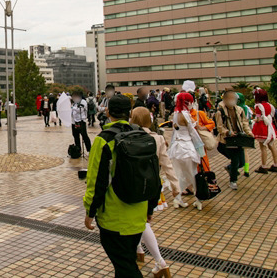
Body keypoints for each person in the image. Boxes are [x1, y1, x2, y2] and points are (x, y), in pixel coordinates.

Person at [83, 95, 147, 278]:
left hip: (114, 218)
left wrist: (90, 211)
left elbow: (96, 182)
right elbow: (150, 176)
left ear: (108, 112)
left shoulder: (104, 140)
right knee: (125, 264)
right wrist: (149, 207)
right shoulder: (141, 135)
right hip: (139, 214)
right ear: (130, 113)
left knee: (126, 268)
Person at [130, 107, 180, 278]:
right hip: (153, 186)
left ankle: (160, 262)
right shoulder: (158, 138)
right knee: (140, 220)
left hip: (136, 187)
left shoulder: (129, 138)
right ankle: (139, 250)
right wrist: (175, 186)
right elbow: (167, 164)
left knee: (142, 222)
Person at [168, 92, 206, 210]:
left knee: (179, 175)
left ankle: (177, 199)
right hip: (187, 147)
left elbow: (175, 131)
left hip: (176, 148)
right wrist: (200, 148)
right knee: (193, 174)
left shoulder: (175, 114)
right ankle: (198, 200)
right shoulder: (185, 114)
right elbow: (192, 133)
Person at [215, 90, 254, 190]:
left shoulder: (239, 110)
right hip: (227, 140)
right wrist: (228, 132)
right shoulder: (220, 112)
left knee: (241, 162)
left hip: (239, 138)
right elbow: (219, 127)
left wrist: (249, 132)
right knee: (236, 160)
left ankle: (230, 168)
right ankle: (233, 181)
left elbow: (244, 122)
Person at [252, 88, 277, 174]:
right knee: (272, 146)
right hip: (270, 127)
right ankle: (276, 165)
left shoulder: (258, 106)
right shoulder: (269, 105)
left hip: (262, 127)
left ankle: (263, 166)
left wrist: (252, 121)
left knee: (263, 147)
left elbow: (258, 119)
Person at [236, 92, 253, 177]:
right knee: (245, 151)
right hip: (247, 130)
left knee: (236, 151)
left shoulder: (237, 109)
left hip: (239, 131)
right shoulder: (247, 108)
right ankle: (246, 170)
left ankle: (234, 168)